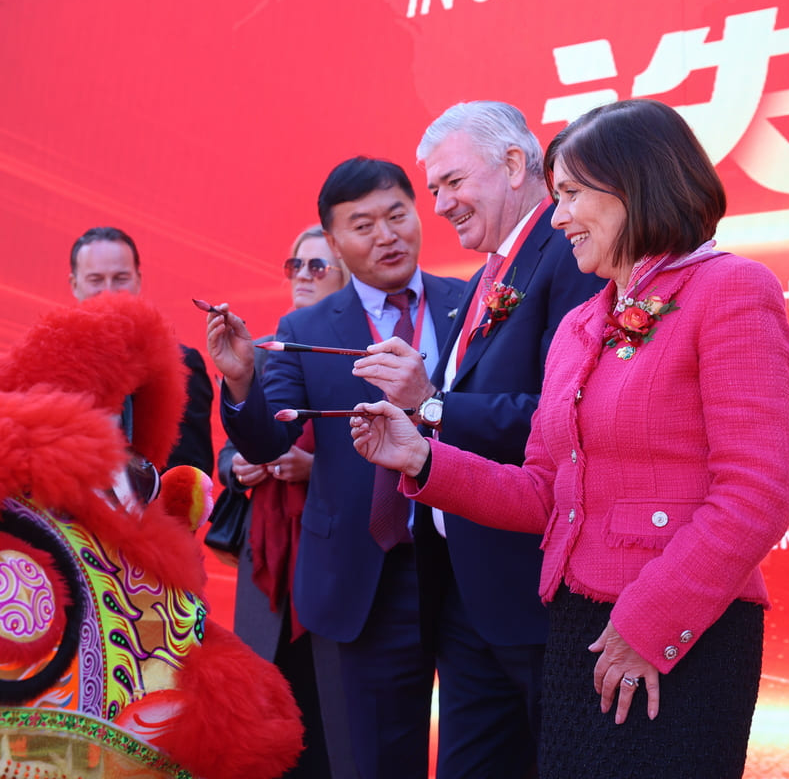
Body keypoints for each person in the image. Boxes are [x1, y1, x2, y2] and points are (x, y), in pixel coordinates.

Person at [350, 98, 789, 779]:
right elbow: (544, 493)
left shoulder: (731, 290)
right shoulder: (581, 325)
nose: (557, 218)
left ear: (636, 185)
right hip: (577, 634)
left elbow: (756, 493)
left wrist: (645, 625)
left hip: (677, 633)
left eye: (569, 195)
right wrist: (422, 457)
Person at [351, 101, 606, 777]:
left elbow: (563, 418)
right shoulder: (487, 275)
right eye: (434, 189)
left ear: (515, 164)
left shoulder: (569, 253)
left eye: (452, 183)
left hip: (534, 589)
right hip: (464, 590)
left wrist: (428, 406)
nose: (439, 205)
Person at [207, 157, 465, 779]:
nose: (387, 235)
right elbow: (270, 439)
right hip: (361, 575)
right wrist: (241, 378)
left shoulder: (471, 303)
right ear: (337, 241)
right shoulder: (306, 328)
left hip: (464, 567)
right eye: (363, 224)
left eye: (398, 214)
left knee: (478, 754)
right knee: (368, 762)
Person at [216, 224, 354, 779]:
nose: (302, 276)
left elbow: (388, 461)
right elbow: (227, 454)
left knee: (335, 731)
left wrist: (314, 470)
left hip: (336, 568)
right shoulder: (270, 353)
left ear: (345, 275)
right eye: (295, 265)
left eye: (316, 266)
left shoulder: (361, 353)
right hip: (269, 575)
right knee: (270, 730)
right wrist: (242, 467)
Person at [69, 226, 214, 475]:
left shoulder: (180, 364)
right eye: (96, 280)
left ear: (138, 280)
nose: (109, 290)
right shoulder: (54, 362)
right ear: (74, 284)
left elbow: (190, 473)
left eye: (120, 278)